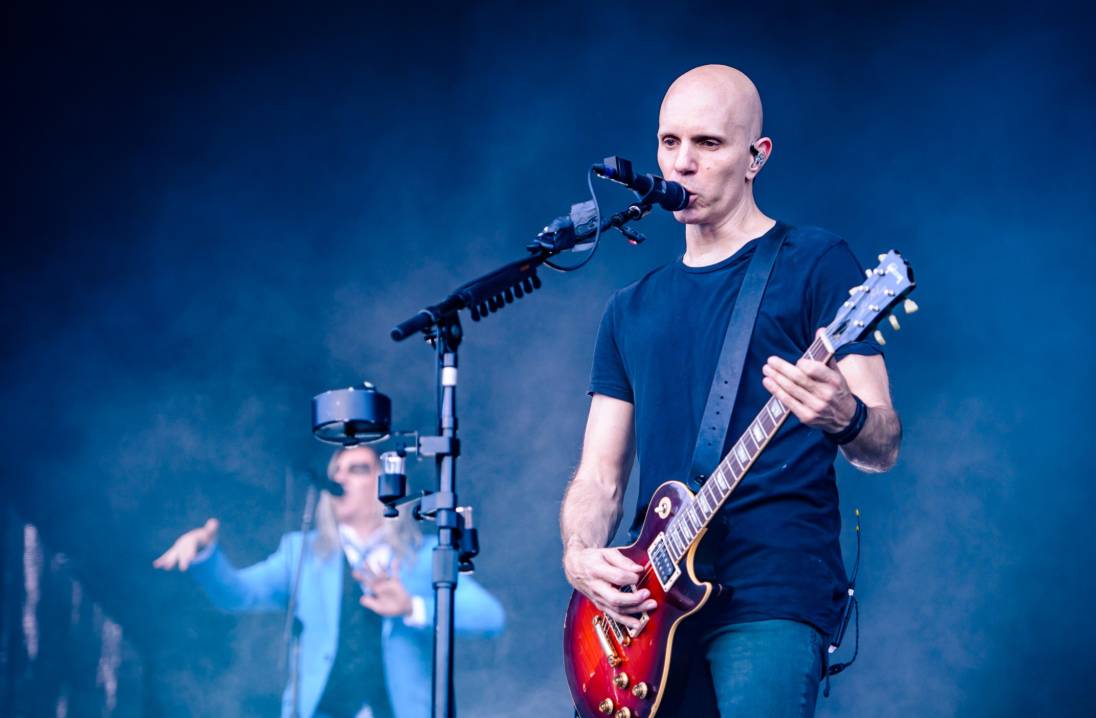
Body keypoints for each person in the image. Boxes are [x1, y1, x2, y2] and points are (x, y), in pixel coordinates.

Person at [559, 64, 902, 718]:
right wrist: (579, 555)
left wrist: (845, 416)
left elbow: (882, 443)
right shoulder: (629, 309)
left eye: (708, 143)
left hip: (770, 592)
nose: (682, 163)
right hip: (649, 603)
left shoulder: (814, 263)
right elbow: (599, 478)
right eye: (669, 142)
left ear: (755, 157)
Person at [154, 445, 505, 718]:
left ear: (387, 483)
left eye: (357, 469)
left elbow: (490, 617)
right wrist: (205, 552)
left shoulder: (425, 555)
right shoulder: (301, 553)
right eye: (337, 470)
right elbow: (239, 595)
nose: (341, 478)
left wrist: (412, 607)